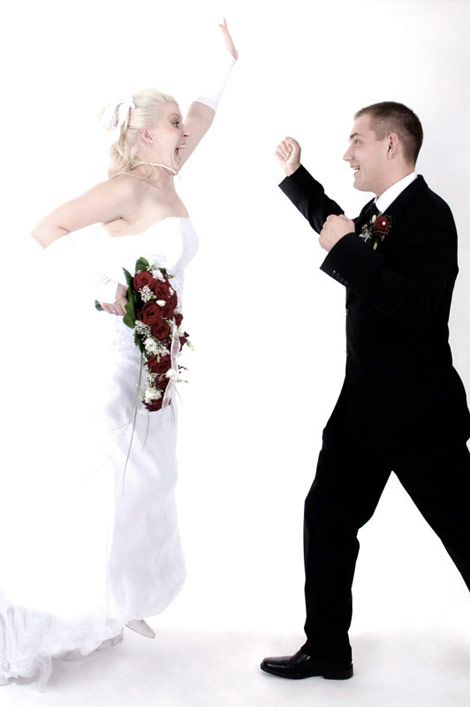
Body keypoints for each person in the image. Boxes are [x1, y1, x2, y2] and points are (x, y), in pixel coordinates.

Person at [0, 20, 237, 687]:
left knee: (147, 479)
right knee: (109, 481)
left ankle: (112, 600)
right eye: (171, 123)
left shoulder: (168, 177)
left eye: (180, 124)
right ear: (145, 134)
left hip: (157, 355)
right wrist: (107, 291)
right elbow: (45, 229)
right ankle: (56, 612)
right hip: (118, 357)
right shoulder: (130, 187)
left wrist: (225, 62)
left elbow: (202, 115)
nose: (183, 131)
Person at [261, 102, 470, 681]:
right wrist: (296, 178)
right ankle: (327, 648)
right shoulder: (377, 214)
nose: (347, 153)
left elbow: (418, 307)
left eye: (356, 140)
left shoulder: (431, 215)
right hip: (362, 410)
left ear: (390, 146)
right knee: (327, 517)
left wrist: (346, 249)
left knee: (464, 527)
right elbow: (336, 225)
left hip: (420, 414)